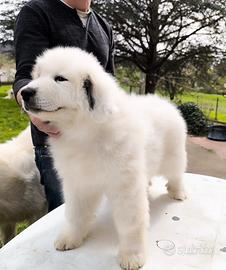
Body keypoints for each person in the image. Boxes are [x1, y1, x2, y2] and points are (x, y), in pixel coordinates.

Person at [13, 0, 115, 212]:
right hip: (56, 144)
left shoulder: (104, 26)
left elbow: (109, 84)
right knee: (66, 221)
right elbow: (24, 76)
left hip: (99, 145)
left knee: (101, 218)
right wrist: (35, 115)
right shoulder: (36, 12)